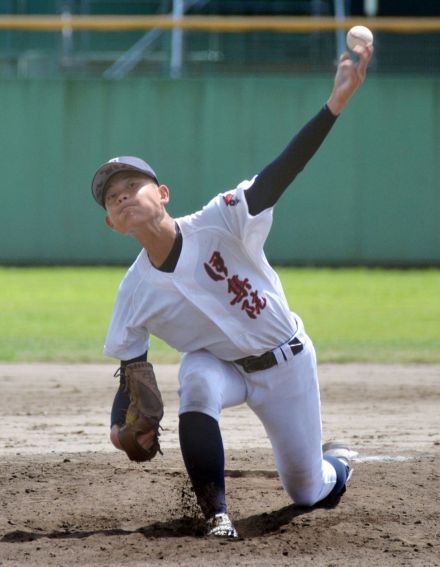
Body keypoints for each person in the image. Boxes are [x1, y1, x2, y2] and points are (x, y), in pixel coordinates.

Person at [91, 45, 373, 539]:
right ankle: (216, 514)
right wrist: (120, 432)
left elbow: (278, 175)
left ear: (162, 193)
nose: (120, 196)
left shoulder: (221, 219)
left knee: (308, 491)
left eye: (131, 185)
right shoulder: (134, 292)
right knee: (195, 377)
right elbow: (130, 372)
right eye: (111, 199)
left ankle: (338, 462)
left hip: (287, 364)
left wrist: (335, 105)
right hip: (226, 371)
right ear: (113, 224)